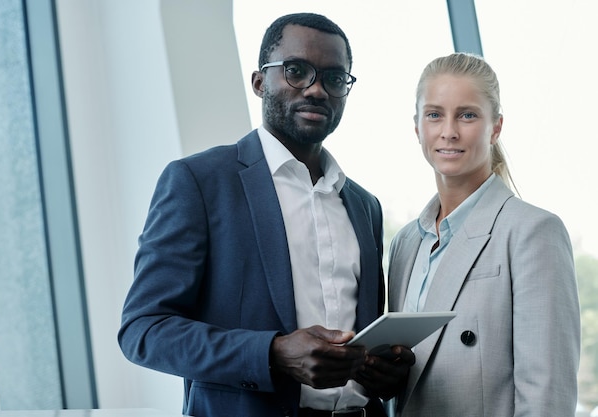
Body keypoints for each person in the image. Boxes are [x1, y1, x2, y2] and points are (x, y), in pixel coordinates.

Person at [118, 12, 414, 417]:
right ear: (260, 82)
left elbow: (365, 335)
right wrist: (272, 353)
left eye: (333, 77)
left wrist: (384, 371)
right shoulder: (200, 182)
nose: (316, 90)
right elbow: (144, 330)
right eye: (296, 71)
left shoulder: (364, 205)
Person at [386, 52, 581, 416]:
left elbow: (546, 398)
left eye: (467, 115)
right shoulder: (405, 245)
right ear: (417, 128)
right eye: (434, 114)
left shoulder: (533, 232)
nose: (449, 131)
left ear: (496, 127)